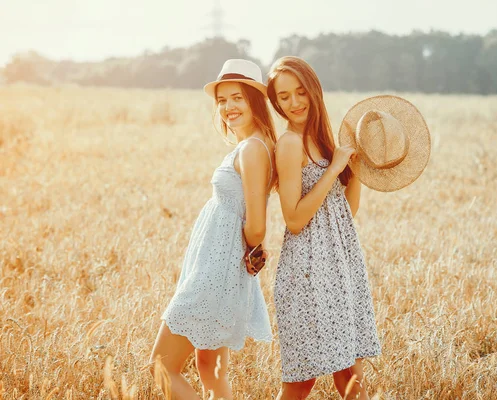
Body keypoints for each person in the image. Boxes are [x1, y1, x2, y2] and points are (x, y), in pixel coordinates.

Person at [149, 59, 276, 400]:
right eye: (221, 100)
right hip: (220, 269)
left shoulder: (252, 149)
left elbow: (257, 224)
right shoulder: (252, 144)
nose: (227, 107)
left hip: (215, 273)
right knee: (209, 367)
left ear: (254, 100)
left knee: (161, 366)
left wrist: (252, 247)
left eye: (237, 98)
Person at [267, 56, 381, 400]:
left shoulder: (324, 139)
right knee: (301, 382)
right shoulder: (289, 145)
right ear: (275, 101)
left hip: (341, 265)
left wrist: (354, 169)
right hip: (307, 272)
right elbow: (295, 220)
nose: (294, 103)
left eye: (300, 92)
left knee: (352, 372)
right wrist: (333, 170)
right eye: (284, 97)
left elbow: (346, 212)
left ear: (314, 91)